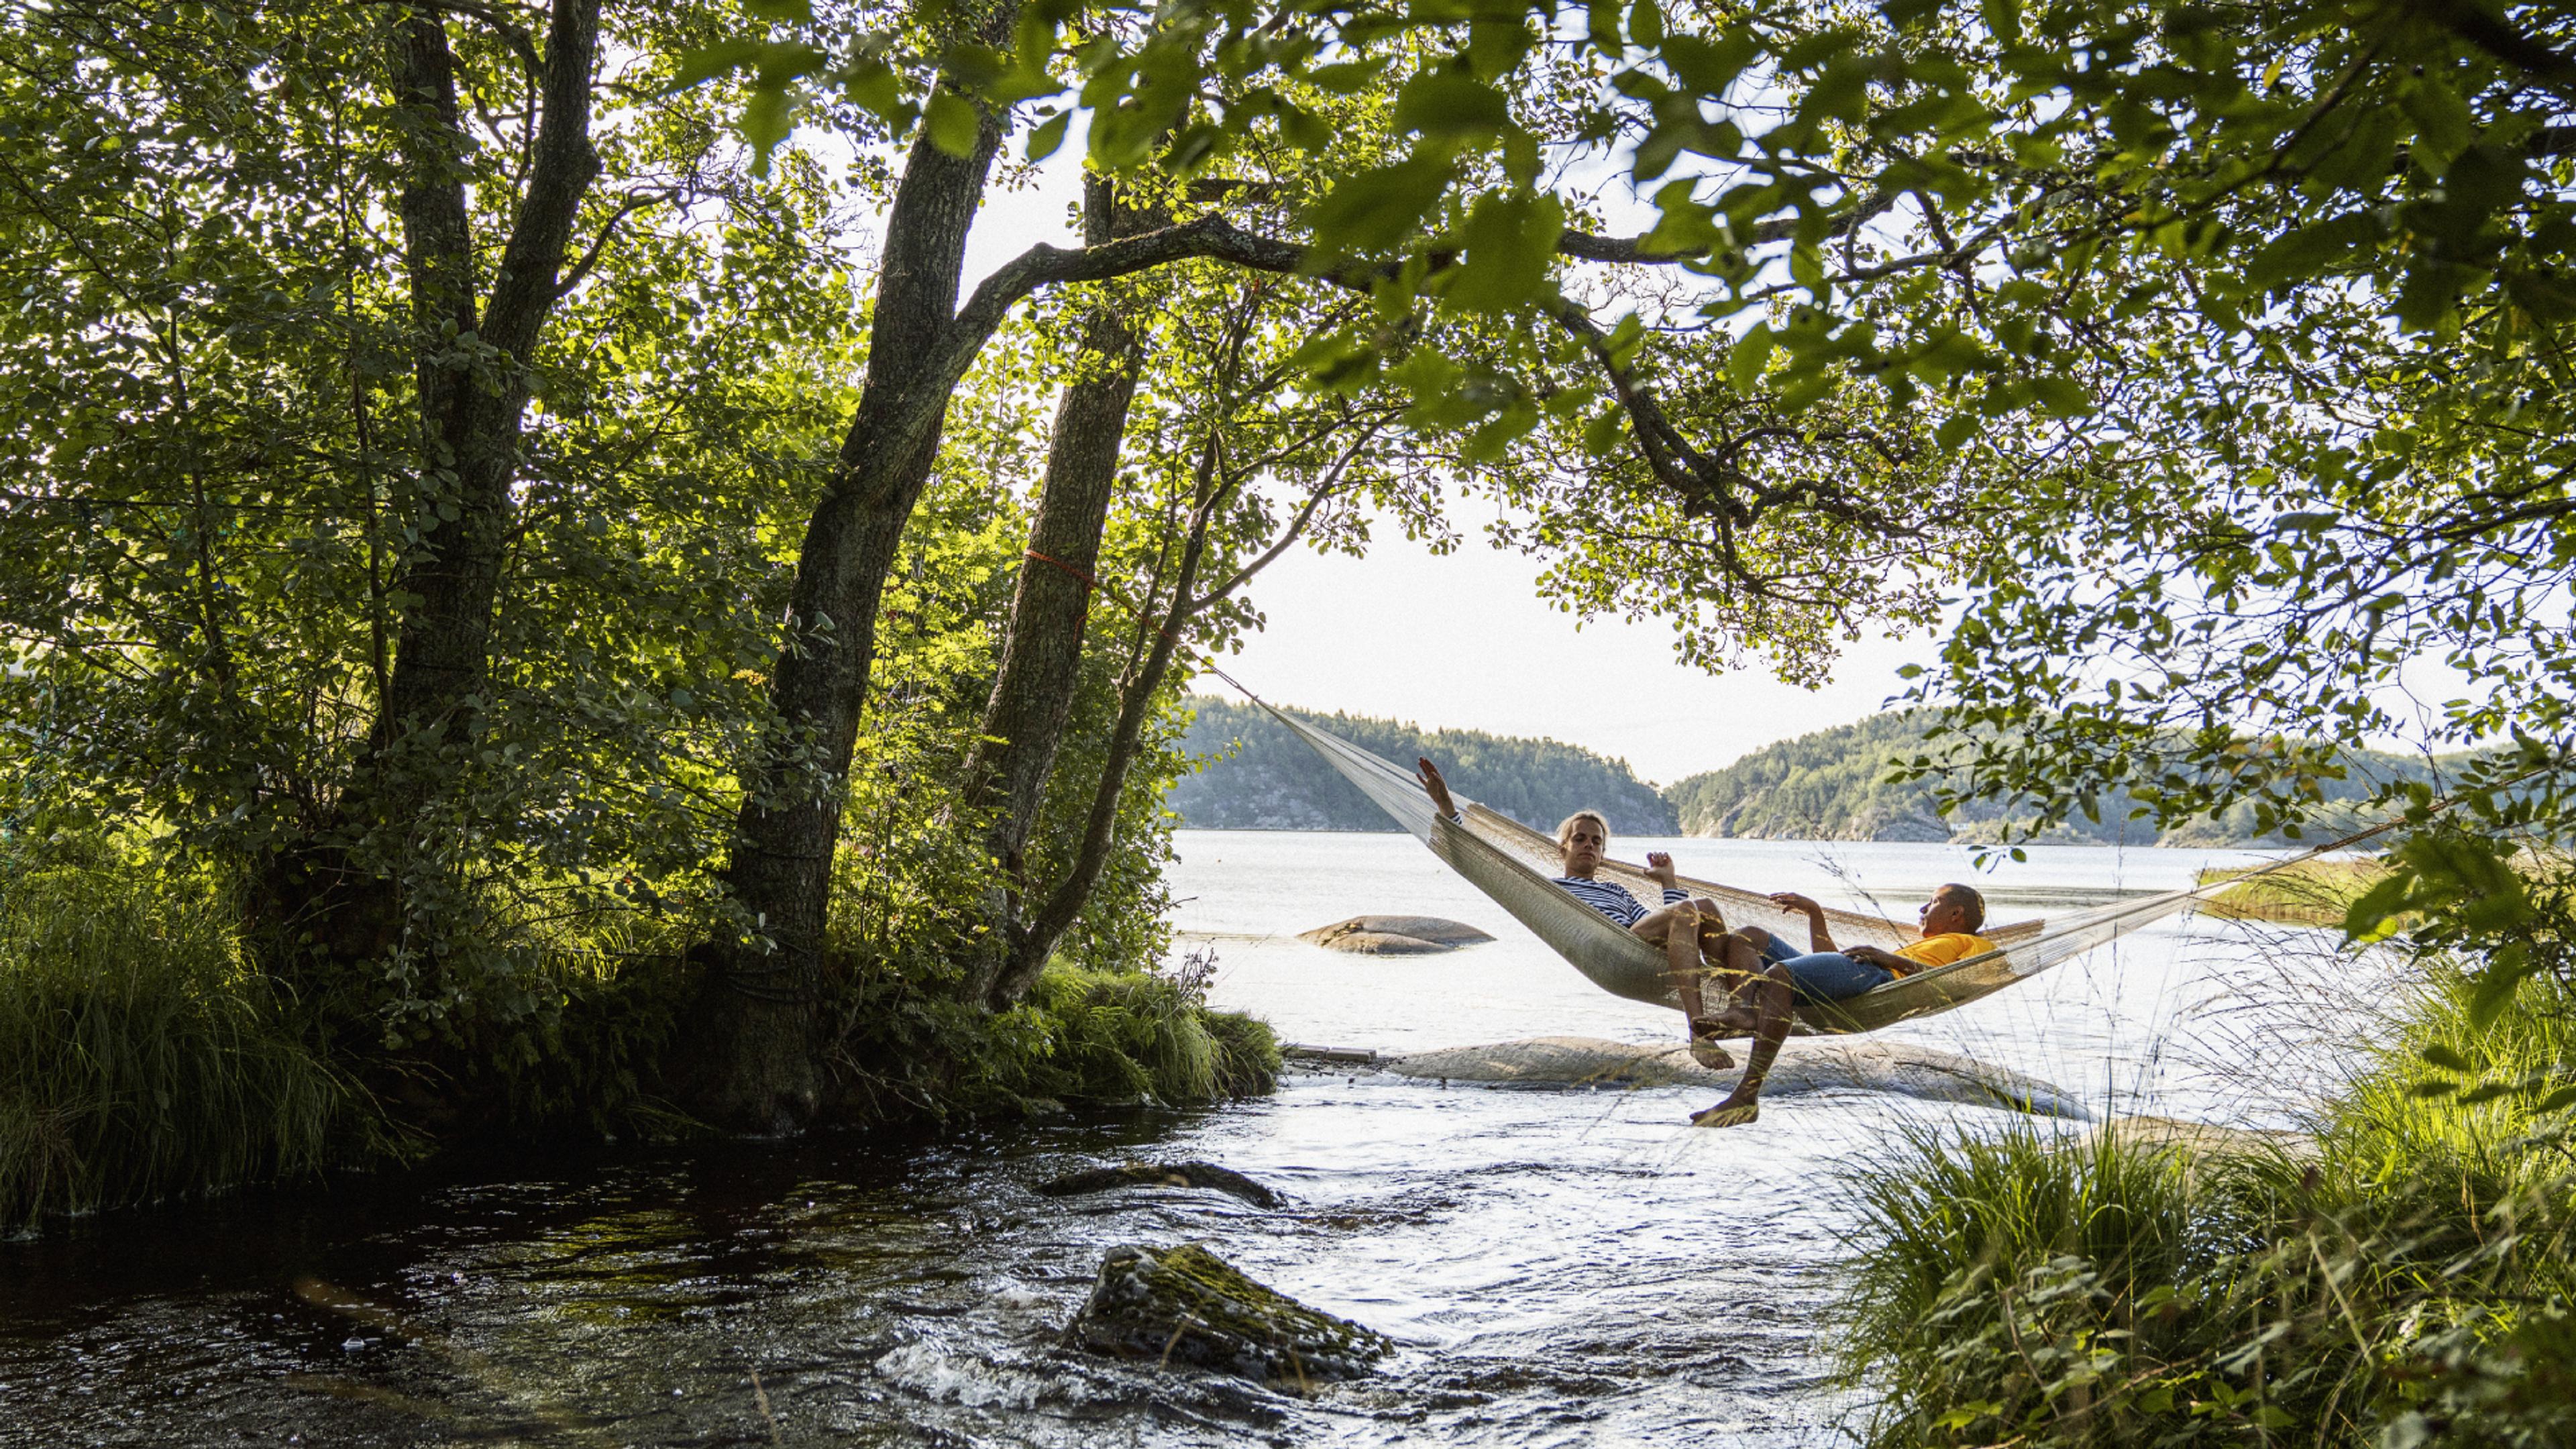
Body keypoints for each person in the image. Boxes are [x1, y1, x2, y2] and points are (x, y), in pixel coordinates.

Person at [1414, 759, 1737, 1065]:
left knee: (1708, 910)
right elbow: (1483, 862)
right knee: (1689, 910)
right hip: (1613, 953)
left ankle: (1736, 999)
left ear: (1602, 854)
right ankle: (1699, 1031)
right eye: (1580, 839)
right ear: (1563, 847)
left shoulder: (1617, 891)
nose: (1589, 845)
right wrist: (1446, 807)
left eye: (1596, 842)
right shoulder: (1550, 890)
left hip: (1639, 950)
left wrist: (1668, 882)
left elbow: (1673, 926)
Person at [1686, 883, 1995, 1127]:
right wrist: (1815, 914)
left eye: (1933, 902)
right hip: (1860, 974)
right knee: (1747, 937)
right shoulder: (1923, 945)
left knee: (1780, 976)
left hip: (1879, 977)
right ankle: (1742, 1009)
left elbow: (1957, 980)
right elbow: (1832, 961)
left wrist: (1889, 959)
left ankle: (1746, 1095)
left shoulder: (1975, 944)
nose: (1923, 909)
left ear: (1956, 914)